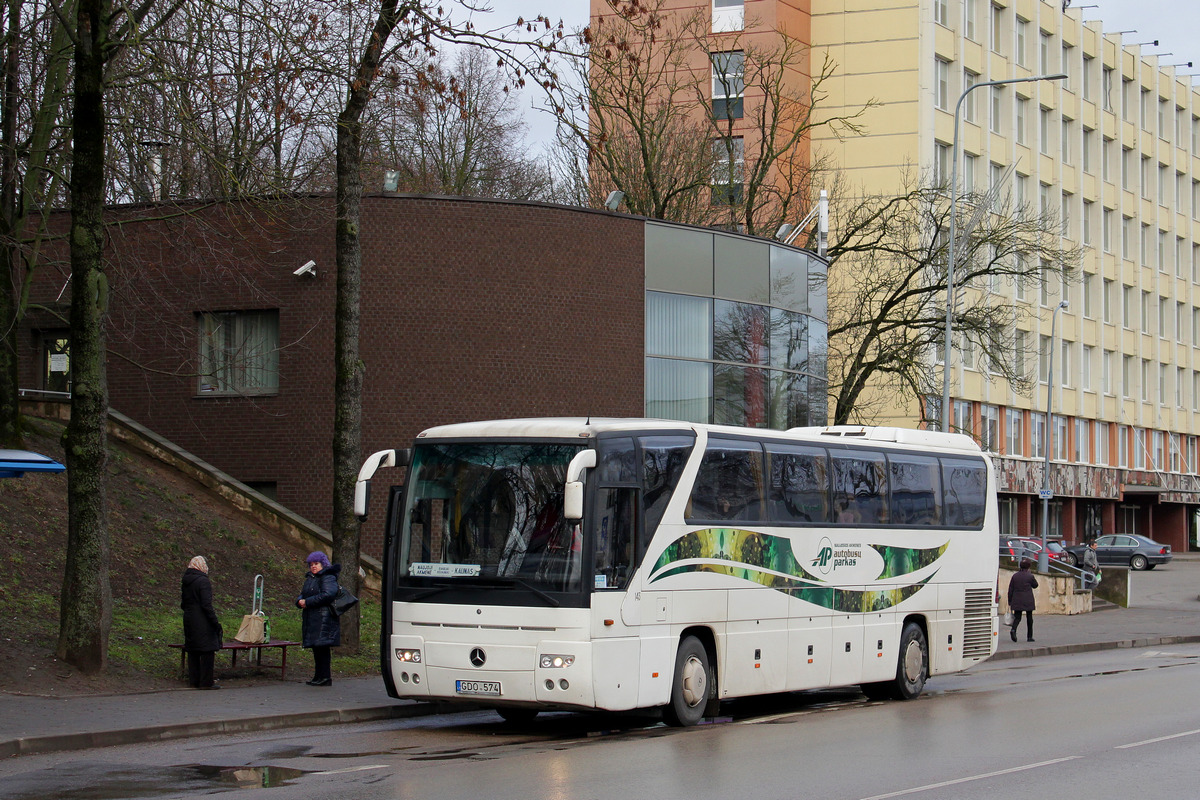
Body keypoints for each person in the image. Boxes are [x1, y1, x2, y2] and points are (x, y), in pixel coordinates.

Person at [297, 551, 341, 687]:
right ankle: (318, 675)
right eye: (311, 564)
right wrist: (299, 601)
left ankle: (325, 676)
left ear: (323, 564)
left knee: (322, 648)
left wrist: (307, 602)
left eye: (316, 564)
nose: (313, 567)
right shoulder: (311, 578)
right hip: (313, 617)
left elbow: (328, 594)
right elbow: (303, 593)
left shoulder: (327, 577)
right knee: (316, 648)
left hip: (324, 618)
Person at [181, 555, 223, 689]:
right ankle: (206, 682)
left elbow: (183, 603)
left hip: (189, 618)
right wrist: (215, 622)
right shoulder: (203, 581)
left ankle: (194, 680)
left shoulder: (186, 580)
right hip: (202, 620)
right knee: (207, 650)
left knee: (193, 649)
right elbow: (206, 604)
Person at [1007, 558, 1039, 643]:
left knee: (1017, 617)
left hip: (1017, 599)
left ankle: (1013, 630)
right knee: (1029, 618)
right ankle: (1029, 636)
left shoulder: (1015, 576)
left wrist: (1010, 601)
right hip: (1027, 599)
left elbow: (1010, 589)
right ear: (1028, 567)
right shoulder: (1030, 576)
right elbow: (1035, 585)